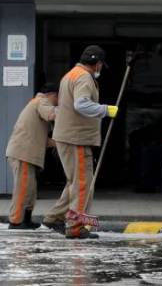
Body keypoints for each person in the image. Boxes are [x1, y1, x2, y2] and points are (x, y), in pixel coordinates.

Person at [42, 45, 118, 239]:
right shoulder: (84, 77)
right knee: (83, 183)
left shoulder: (70, 74)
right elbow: (81, 104)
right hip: (77, 138)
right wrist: (106, 110)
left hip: (66, 136)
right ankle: (76, 227)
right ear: (98, 63)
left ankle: (55, 218)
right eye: (101, 64)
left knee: (74, 182)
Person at [4, 83, 58, 230]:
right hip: (23, 154)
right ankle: (15, 222)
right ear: (53, 95)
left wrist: (58, 143)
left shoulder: (35, 104)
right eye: (58, 98)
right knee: (23, 189)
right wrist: (69, 112)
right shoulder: (42, 101)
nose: (59, 101)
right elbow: (51, 114)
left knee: (30, 189)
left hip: (26, 153)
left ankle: (26, 220)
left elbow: (42, 138)